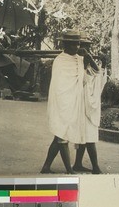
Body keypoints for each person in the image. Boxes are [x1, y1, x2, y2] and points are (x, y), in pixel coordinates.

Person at [40, 29, 101, 174]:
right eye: (72, 44)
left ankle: (46, 166)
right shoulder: (60, 61)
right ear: (65, 45)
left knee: (62, 134)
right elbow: (60, 87)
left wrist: (89, 57)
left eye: (77, 44)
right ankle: (69, 169)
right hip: (63, 103)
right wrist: (65, 103)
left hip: (76, 103)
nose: (76, 47)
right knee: (62, 134)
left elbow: (96, 72)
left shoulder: (79, 60)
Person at [72, 32, 106, 174]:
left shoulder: (87, 64)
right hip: (81, 104)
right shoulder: (76, 64)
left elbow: (98, 74)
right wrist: (86, 60)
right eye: (84, 46)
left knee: (85, 134)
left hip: (88, 103)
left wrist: (91, 59)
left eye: (88, 47)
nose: (86, 50)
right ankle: (96, 167)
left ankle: (77, 164)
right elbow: (83, 80)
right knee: (88, 135)